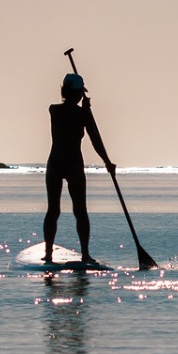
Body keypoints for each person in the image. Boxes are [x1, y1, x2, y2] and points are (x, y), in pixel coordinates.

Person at [43, 73, 113, 265]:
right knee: (75, 211)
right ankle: (82, 254)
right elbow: (95, 139)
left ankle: (52, 254)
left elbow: (94, 139)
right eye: (81, 92)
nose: (82, 95)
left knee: (58, 210)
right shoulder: (76, 114)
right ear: (75, 93)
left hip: (59, 162)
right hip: (69, 163)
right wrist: (107, 161)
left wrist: (107, 161)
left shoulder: (55, 110)